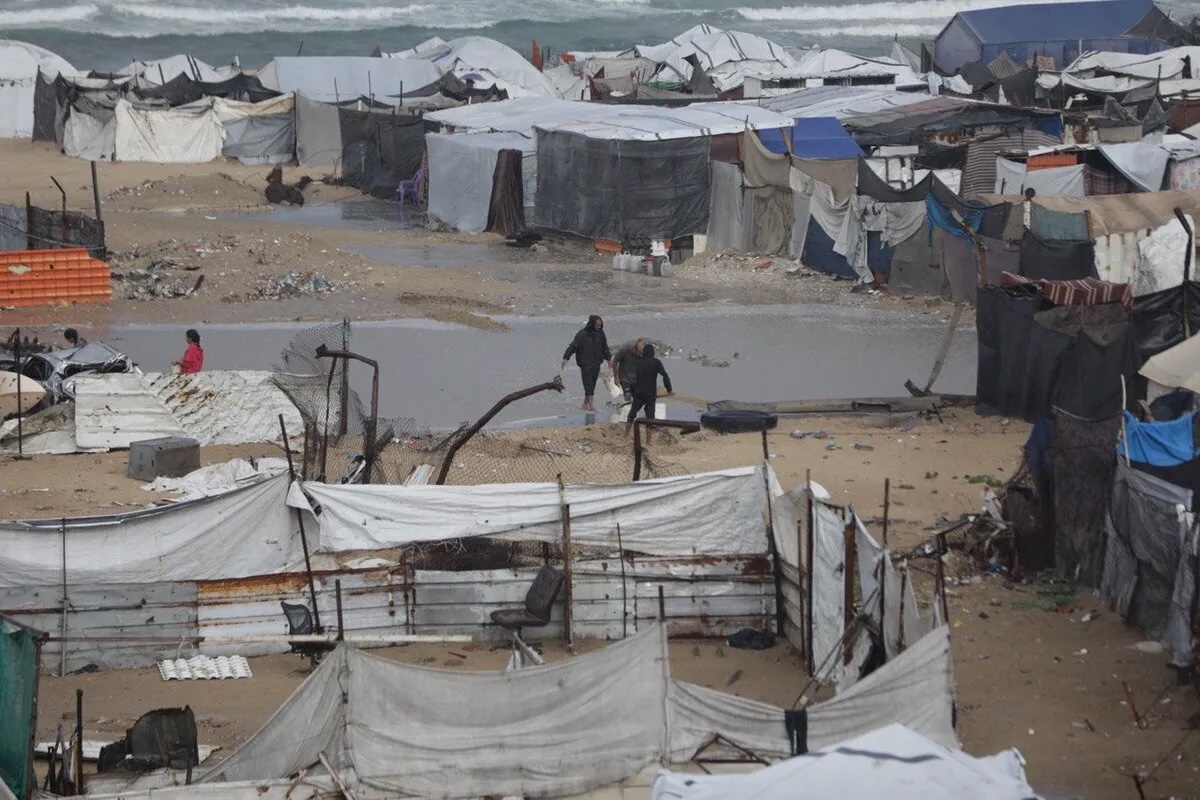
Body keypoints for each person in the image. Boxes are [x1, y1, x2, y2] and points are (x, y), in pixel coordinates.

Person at [561, 315, 612, 412]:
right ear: (592, 324)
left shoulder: (601, 333)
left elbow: (605, 347)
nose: (599, 327)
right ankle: (591, 405)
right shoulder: (582, 334)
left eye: (600, 325)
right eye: (597, 325)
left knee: (592, 383)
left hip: (596, 362)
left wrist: (609, 359)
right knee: (588, 383)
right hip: (585, 362)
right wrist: (566, 358)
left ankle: (585, 403)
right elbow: (573, 346)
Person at [625, 344, 672, 445]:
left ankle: (625, 436)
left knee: (632, 415)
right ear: (653, 353)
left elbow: (632, 380)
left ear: (644, 353)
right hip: (650, 395)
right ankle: (648, 442)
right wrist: (669, 390)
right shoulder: (656, 362)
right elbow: (665, 375)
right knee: (649, 418)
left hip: (638, 393)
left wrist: (631, 392)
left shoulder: (637, 363)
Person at [612, 338, 645, 403]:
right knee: (627, 395)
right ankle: (627, 407)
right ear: (635, 349)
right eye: (639, 353)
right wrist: (616, 377)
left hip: (636, 378)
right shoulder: (625, 350)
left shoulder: (644, 354)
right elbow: (614, 362)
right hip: (624, 377)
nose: (641, 356)